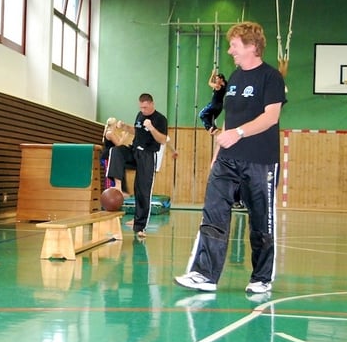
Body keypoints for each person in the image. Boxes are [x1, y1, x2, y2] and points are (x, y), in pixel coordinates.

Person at [174, 21, 287, 295]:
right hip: (227, 159)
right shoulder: (235, 78)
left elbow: (271, 118)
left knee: (261, 221)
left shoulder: (271, 77)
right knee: (213, 212)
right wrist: (217, 154)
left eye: (234, 45)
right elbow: (230, 119)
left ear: (252, 46)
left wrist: (238, 133)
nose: (230, 50)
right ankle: (204, 274)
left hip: (260, 161)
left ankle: (261, 277)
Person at [106, 93, 168, 238]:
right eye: (141, 107)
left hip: (148, 155)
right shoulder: (140, 115)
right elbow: (137, 131)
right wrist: (125, 127)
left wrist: (151, 128)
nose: (143, 110)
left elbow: (163, 139)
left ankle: (140, 227)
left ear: (152, 104)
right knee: (116, 151)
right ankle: (118, 186)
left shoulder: (160, 119)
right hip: (134, 151)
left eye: (145, 107)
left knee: (142, 190)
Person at [101, 117, 132, 193]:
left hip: (112, 156)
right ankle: (108, 193)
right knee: (109, 175)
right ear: (114, 124)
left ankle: (115, 192)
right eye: (116, 123)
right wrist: (124, 136)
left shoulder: (113, 132)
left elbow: (119, 142)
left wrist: (124, 134)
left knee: (115, 175)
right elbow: (118, 144)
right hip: (107, 156)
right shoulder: (109, 133)